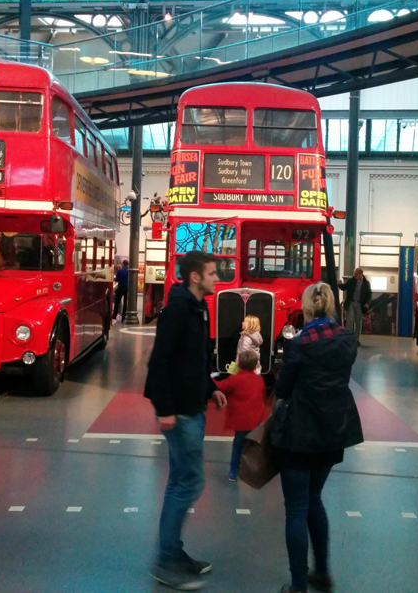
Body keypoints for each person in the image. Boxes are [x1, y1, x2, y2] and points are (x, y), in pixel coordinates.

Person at [271, 282, 364, 593]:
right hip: (332, 432)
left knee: (296, 507)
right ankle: (322, 572)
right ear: (333, 307)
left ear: (306, 309)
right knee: (314, 499)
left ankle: (298, 585)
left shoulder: (299, 344)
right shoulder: (347, 340)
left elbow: (282, 389)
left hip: (299, 434)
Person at [144, 250, 228, 590]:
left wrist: (211, 387)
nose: (217, 278)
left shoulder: (198, 307)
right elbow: (160, 360)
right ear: (195, 276)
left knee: (181, 480)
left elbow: (193, 358)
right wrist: (164, 409)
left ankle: (173, 553)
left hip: (192, 406)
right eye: (212, 273)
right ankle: (166, 561)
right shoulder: (179, 308)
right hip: (178, 411)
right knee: (189, 482)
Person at [217, 349, 266, 482]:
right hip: (256, 420)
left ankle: (233, 471)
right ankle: (255, 471)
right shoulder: (259, 380)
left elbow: (220, 387)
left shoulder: (235, 379)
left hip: (241, 421)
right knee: (253, 446)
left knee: (238, 445)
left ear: (238, 364)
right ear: (256, 365)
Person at [340, 268, 371, 345]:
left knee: (358, 321)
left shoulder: (366, 283)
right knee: (350, 320)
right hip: (351, 302)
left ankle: (356, 337)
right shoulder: (351, 281)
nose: (355, 275)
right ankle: (349, 336)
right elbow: (344, 287)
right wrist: (340, 284)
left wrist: (367, 303)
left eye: (356, 274)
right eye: (354, 274)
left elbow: (369, 294)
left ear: (361, 274)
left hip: (360, 304)